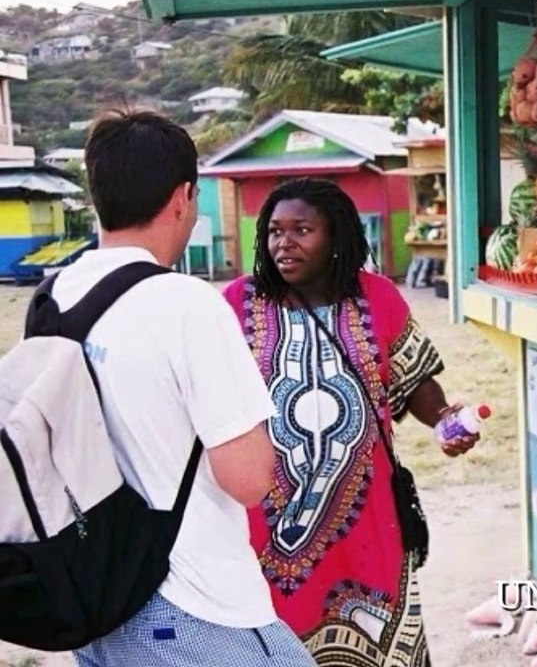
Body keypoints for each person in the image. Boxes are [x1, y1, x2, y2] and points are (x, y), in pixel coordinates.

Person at [60, 110, 317, 666]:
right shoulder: (187, 306)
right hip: (189, 601)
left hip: (93, 592)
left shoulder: (56, 296)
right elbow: (248, 479)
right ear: (183, 198)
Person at [222, 178, 477, 666]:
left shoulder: (377, 298)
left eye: (302, 229)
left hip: (368, 519)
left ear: (335, 236)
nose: (284, 242)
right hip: (263, 529)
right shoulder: (238, 303)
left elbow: (416, 382)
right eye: (275, 230)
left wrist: (444, 417)